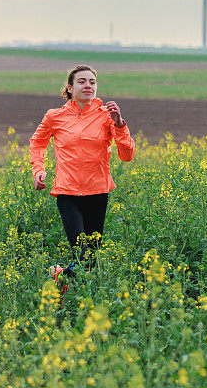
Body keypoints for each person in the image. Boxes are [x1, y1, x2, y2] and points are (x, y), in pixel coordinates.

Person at [30, 65, 135, 279]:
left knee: (91, 259)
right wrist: (38, 169)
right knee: (81, 252)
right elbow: (37, 143)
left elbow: (127, 156)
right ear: (69, 88)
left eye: (92, 82)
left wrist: (120, 124)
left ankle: (60, 278)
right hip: (67, 193)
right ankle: (63, 284)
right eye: (82, 81)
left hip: (98, 192)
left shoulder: (107, 116)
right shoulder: (54, 116)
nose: (88, 85)